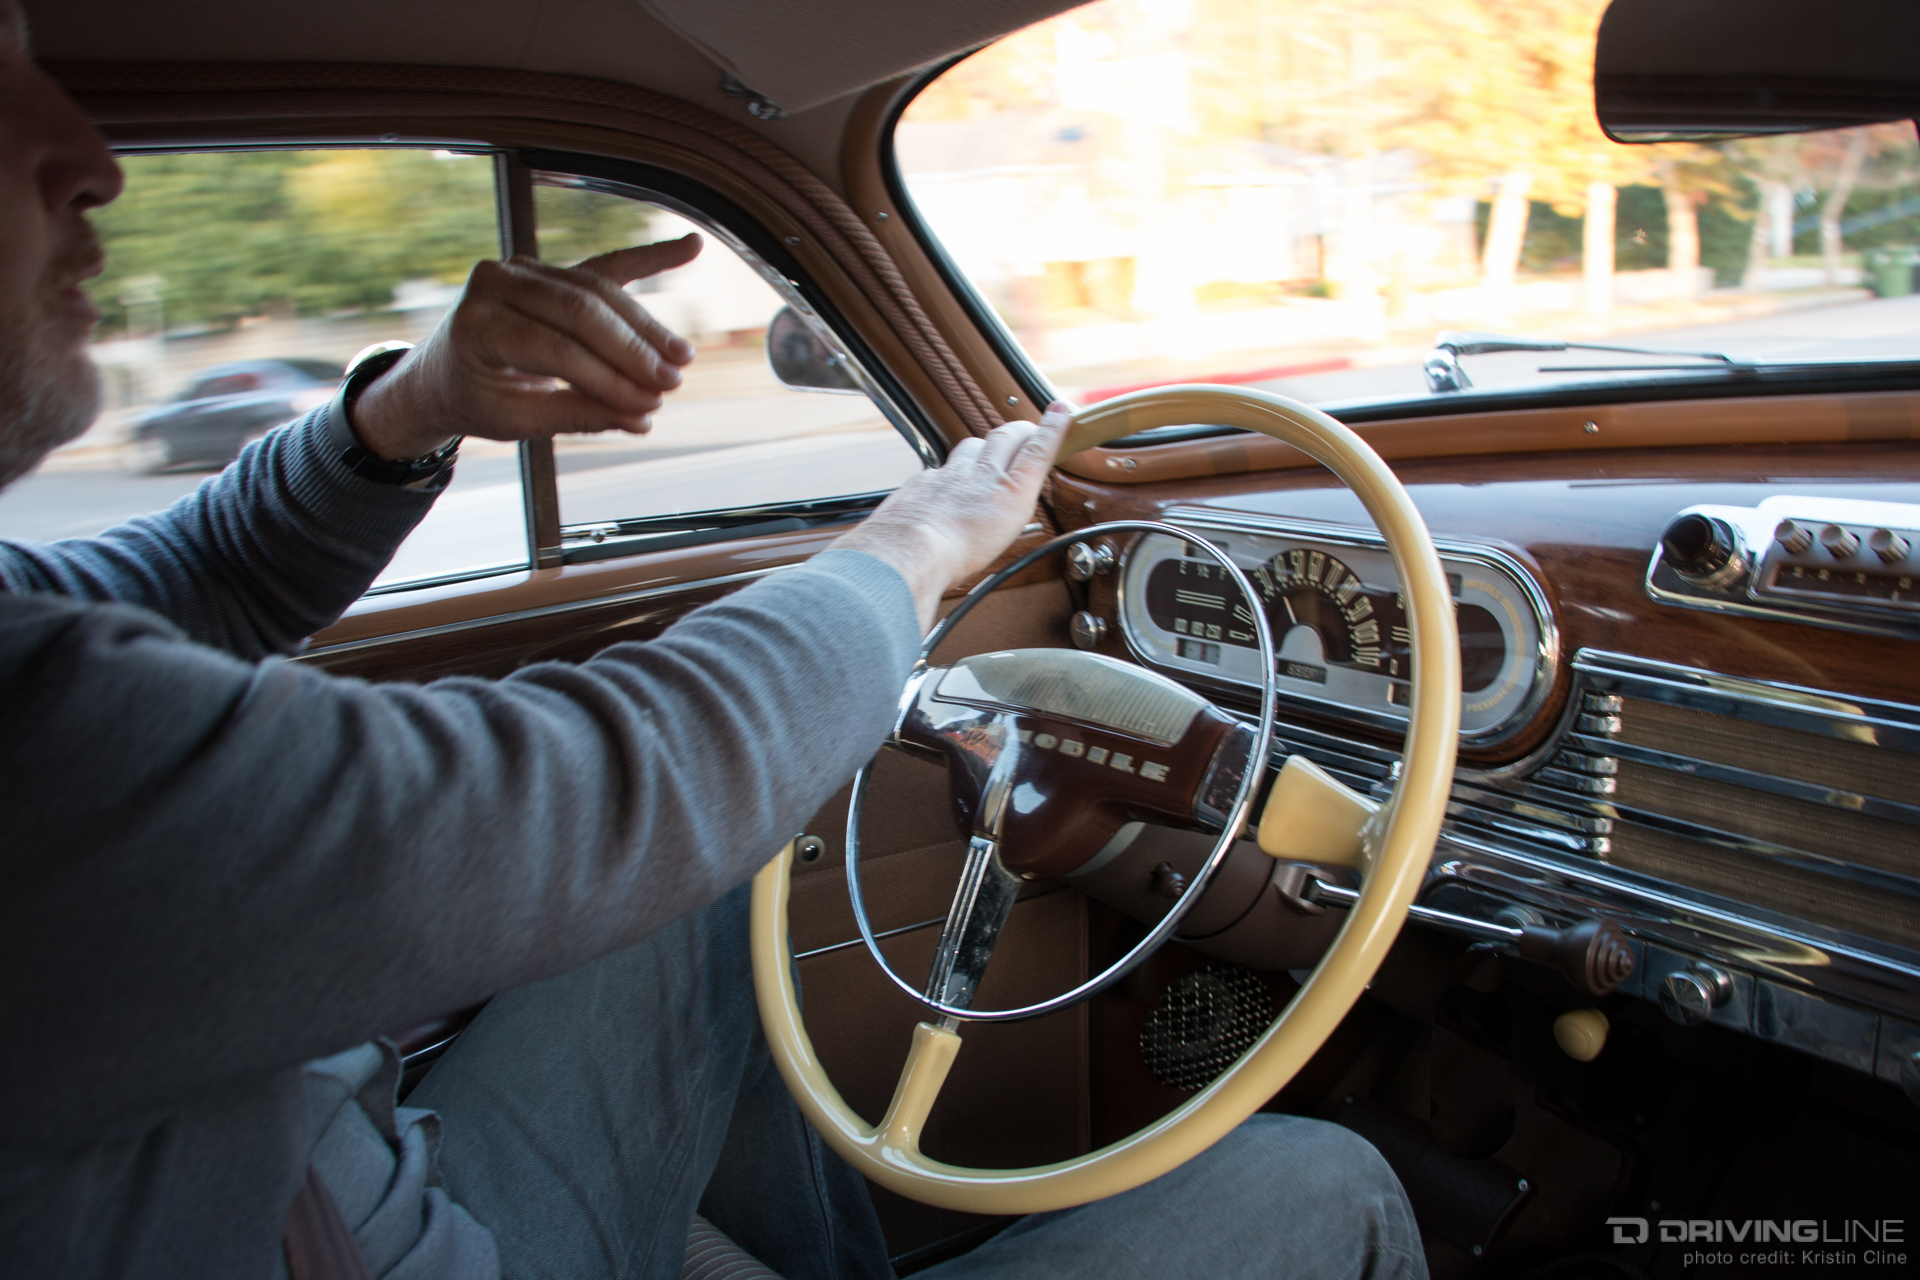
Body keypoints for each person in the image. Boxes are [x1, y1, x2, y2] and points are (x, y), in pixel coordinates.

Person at [0, 3, 1426, 1277]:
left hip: (318, 1182)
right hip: (361, 1230)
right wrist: (911, 545)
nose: (87, 153)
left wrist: (409, 410)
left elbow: (177, 578)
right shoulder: (36, 739)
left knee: (702, 882)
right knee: (1329, 1184)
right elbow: (583, 798)